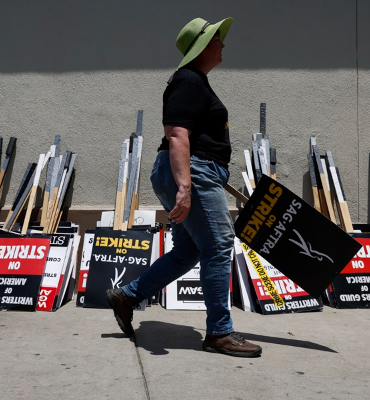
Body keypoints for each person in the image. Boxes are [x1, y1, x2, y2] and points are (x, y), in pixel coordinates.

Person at [106, 17, 262, 358]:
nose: (224, 44)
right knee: (219, 246)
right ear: (203, 46)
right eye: (218, 39)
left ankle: (128, 295)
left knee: (187, 252)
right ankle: (219, 332)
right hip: (193, 173)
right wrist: (186, 187)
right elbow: (177, 133)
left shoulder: (196, 82)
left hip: (198, 172)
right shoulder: (188, 80)